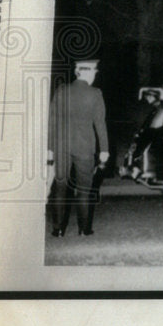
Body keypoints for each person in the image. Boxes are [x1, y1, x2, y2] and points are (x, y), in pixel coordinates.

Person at [47, 58, 109, 236]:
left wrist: (49, 147)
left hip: (61, 146)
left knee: (59, 188)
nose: (94, 76)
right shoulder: (95, 94)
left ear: (77, 72)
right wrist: (104, 150)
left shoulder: (61, 91)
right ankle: (84, 229)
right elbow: (100, 124)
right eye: (94, 72)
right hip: (85, 147)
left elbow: (52, 121)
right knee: (84, 189)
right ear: (88, 73)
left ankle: (58, 230)